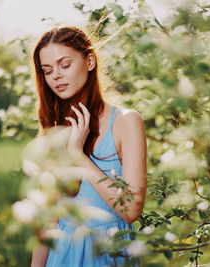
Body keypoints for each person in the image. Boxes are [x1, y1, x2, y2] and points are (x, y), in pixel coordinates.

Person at [30, 26, 147, 267]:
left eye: (65, 65)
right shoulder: (51, 134)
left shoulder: (126, 121)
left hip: (109, 254)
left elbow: (131, 209)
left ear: (90, 61)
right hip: (62, 257)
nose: (56, 76)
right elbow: (47, 224)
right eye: (47, 70)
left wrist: (78, 155)